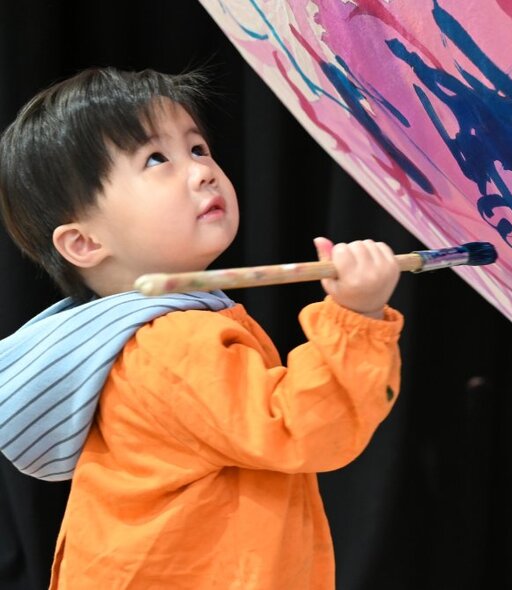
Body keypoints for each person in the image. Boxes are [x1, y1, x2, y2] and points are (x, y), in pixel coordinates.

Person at [0, 67, 403, 589]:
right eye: (156, 159)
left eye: (197, 148)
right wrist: (358, 316)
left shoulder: (130, 339)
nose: (203, 171)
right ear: (84, 244)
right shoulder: (170, 344)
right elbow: (301, 425)